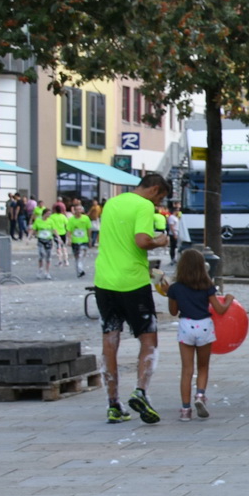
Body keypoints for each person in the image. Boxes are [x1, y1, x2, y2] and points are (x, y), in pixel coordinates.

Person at [95, 173, 172, 424]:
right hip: (132, 283)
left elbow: (121, 245)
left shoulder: (112, 203)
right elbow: (141, 242)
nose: (159, 204)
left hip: (105, 281)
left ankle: (113, 404)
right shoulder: (144, 206)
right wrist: (159, 241)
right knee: (148, 339)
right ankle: (140, 391)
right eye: (160, 198)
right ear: (155, 190)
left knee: (110, 338)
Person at [165, 248, 233, 421]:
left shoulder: (175, 288)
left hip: (186, 325)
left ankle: (185, 410)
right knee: (203, 366)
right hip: (204, 325)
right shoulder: (207, 286)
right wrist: (229, 300)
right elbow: (220, 310)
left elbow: (173, 312)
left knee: (187, 370)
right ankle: (200, 396)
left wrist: (169, 294)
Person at [33, 201, 59, 279]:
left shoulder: (51, 221)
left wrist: (58, 237)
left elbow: (54, 229)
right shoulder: (38, 220)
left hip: (48, 240)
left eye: (50, 214)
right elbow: (34, 229)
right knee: (41, 255)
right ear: (44, 213)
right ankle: (40, 269)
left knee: (48, 257)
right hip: (41, 239)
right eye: (48, 213)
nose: (49, 215)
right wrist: (29, 237)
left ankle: (47, 272)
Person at [67, 200, 92, 278]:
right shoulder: (71, 220)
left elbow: (89, 229)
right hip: (75, 240)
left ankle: (80, 269)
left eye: (79, 210)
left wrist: (89, 239)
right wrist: (69, 239)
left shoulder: (86, 218)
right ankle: (80, 270)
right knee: (77, 256)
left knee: (83, 255)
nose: (78, 211)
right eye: (76, 210)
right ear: (74, 211)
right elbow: (69, 230)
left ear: (82, 210)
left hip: (84, 240)